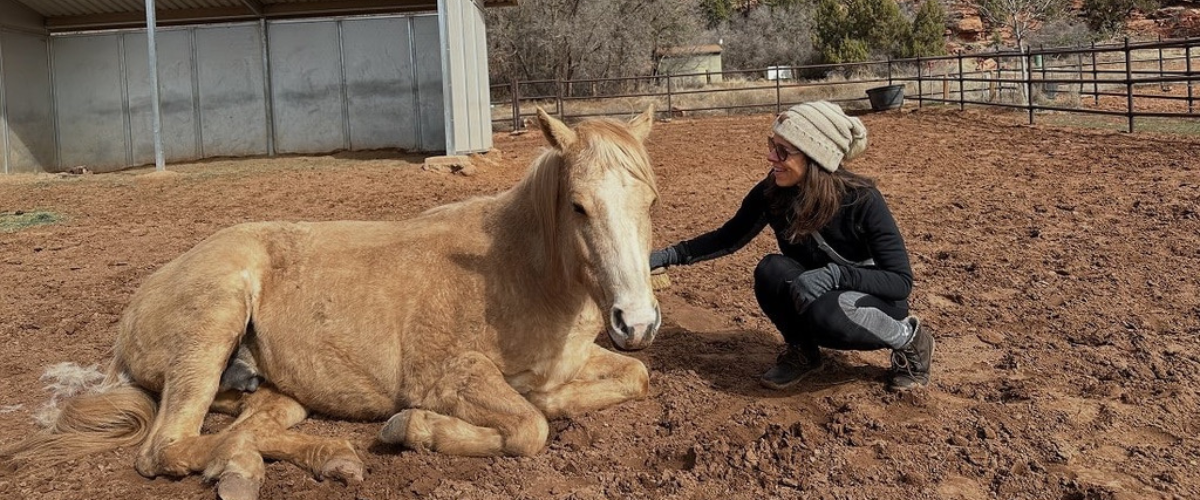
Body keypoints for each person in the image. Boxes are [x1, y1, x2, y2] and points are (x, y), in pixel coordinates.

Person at [650, 101, 934, 392]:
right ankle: (803, 352)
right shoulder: (772, 192)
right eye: (772, 144)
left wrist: (836, 275)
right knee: (770, 270)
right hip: (816, 292)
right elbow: (727, 238)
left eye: (783, 151)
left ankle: (909, 339)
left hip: (871, 301)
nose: (772, 156)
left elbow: (900, 282)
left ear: (815, 156)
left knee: (828, 312)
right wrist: (664, 257)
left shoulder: (862, 201)